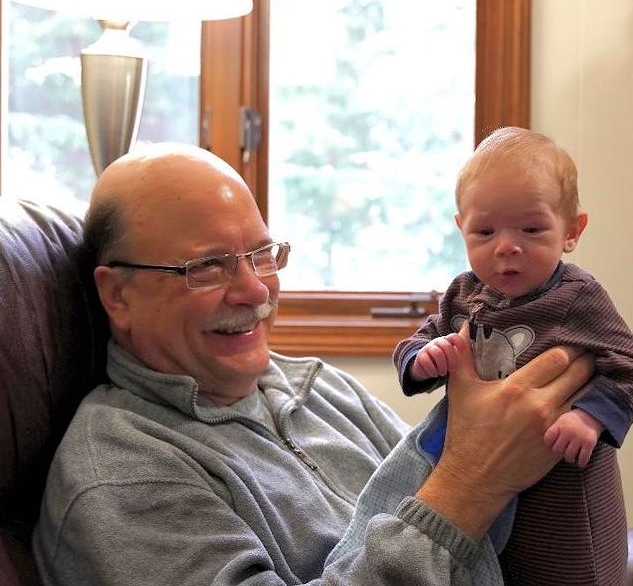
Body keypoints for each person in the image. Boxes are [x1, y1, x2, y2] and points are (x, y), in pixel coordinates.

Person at [32, 142, 594, 585]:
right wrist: (471, 481)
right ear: (119, 296)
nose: (254, 292)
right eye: (206, 266)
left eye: (261, 255)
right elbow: (458, 491)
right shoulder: (121, 471)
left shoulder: (320, 389)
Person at [356, 127, 633, 583]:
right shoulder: (463, 294)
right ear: (462, 228)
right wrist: (425, 357)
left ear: (572, 230)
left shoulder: (578, 297)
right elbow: (418, 343)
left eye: (531, 229)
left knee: (569, 569)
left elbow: (631, 363)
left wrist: (590, 417)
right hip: (485, 487)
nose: (506, 246)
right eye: (485, 231)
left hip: (564, 482)